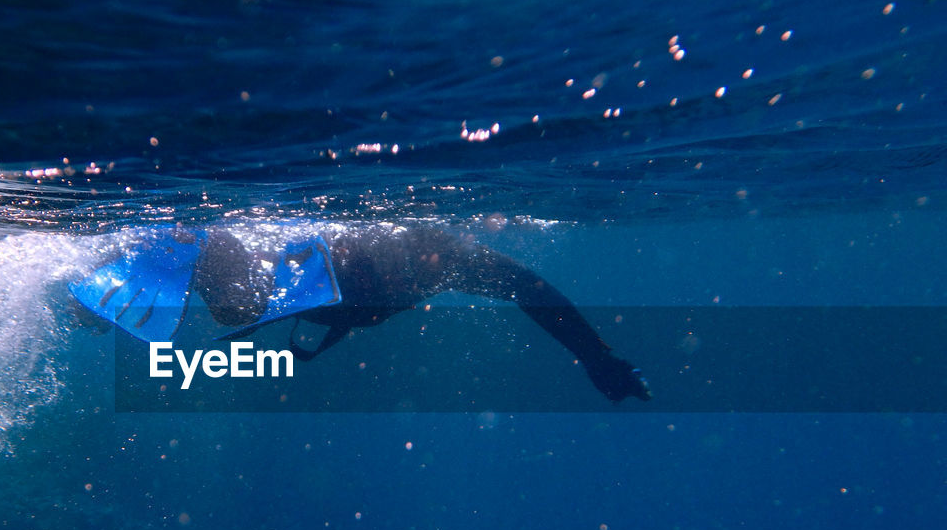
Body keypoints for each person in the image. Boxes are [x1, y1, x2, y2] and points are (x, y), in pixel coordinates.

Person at [70, 222, 650, 403]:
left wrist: (595, 356)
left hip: (316, 299)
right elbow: (534, 290)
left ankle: (144, 260)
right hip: (308, 282)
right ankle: (153, 246)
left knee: (233, 310)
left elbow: (534, 291)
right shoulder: (377, 247)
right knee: (235, 304)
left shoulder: (452, 261)